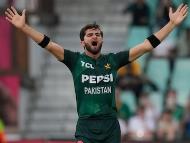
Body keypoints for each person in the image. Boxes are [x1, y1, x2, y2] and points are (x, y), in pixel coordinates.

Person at [4, 4, 188, 143]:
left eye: (98, 34)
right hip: (86, 125)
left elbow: (147, 46)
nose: (95, 36)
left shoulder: (113, 61)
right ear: (82, 42)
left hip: (110, 125)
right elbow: (48, 44)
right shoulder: (74, 60)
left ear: (102, 40)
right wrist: (23, 27)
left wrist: (171, 24)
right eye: (90, 34)